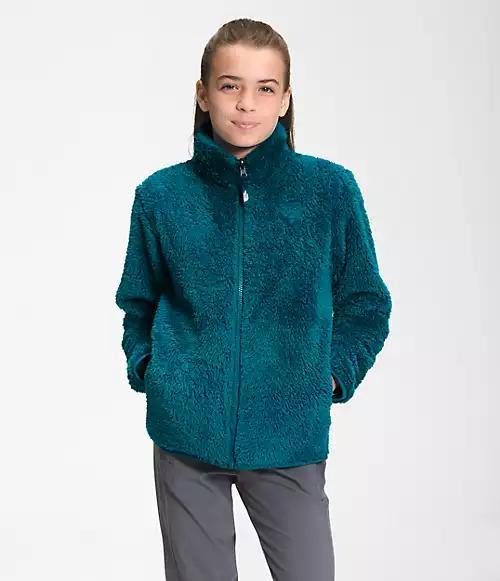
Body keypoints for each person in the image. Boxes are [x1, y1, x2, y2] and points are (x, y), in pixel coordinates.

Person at [115, 17, 392, 581]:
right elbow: (137, 303)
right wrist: (154, 371)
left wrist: (328, 378)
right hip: (186, 435)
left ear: (285, 99)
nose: (246, 104)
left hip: (289, 432)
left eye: (265, 88)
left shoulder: (329, 191)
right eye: (229, 85)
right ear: (203, 93)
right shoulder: (161, 196)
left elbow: (367, 304)